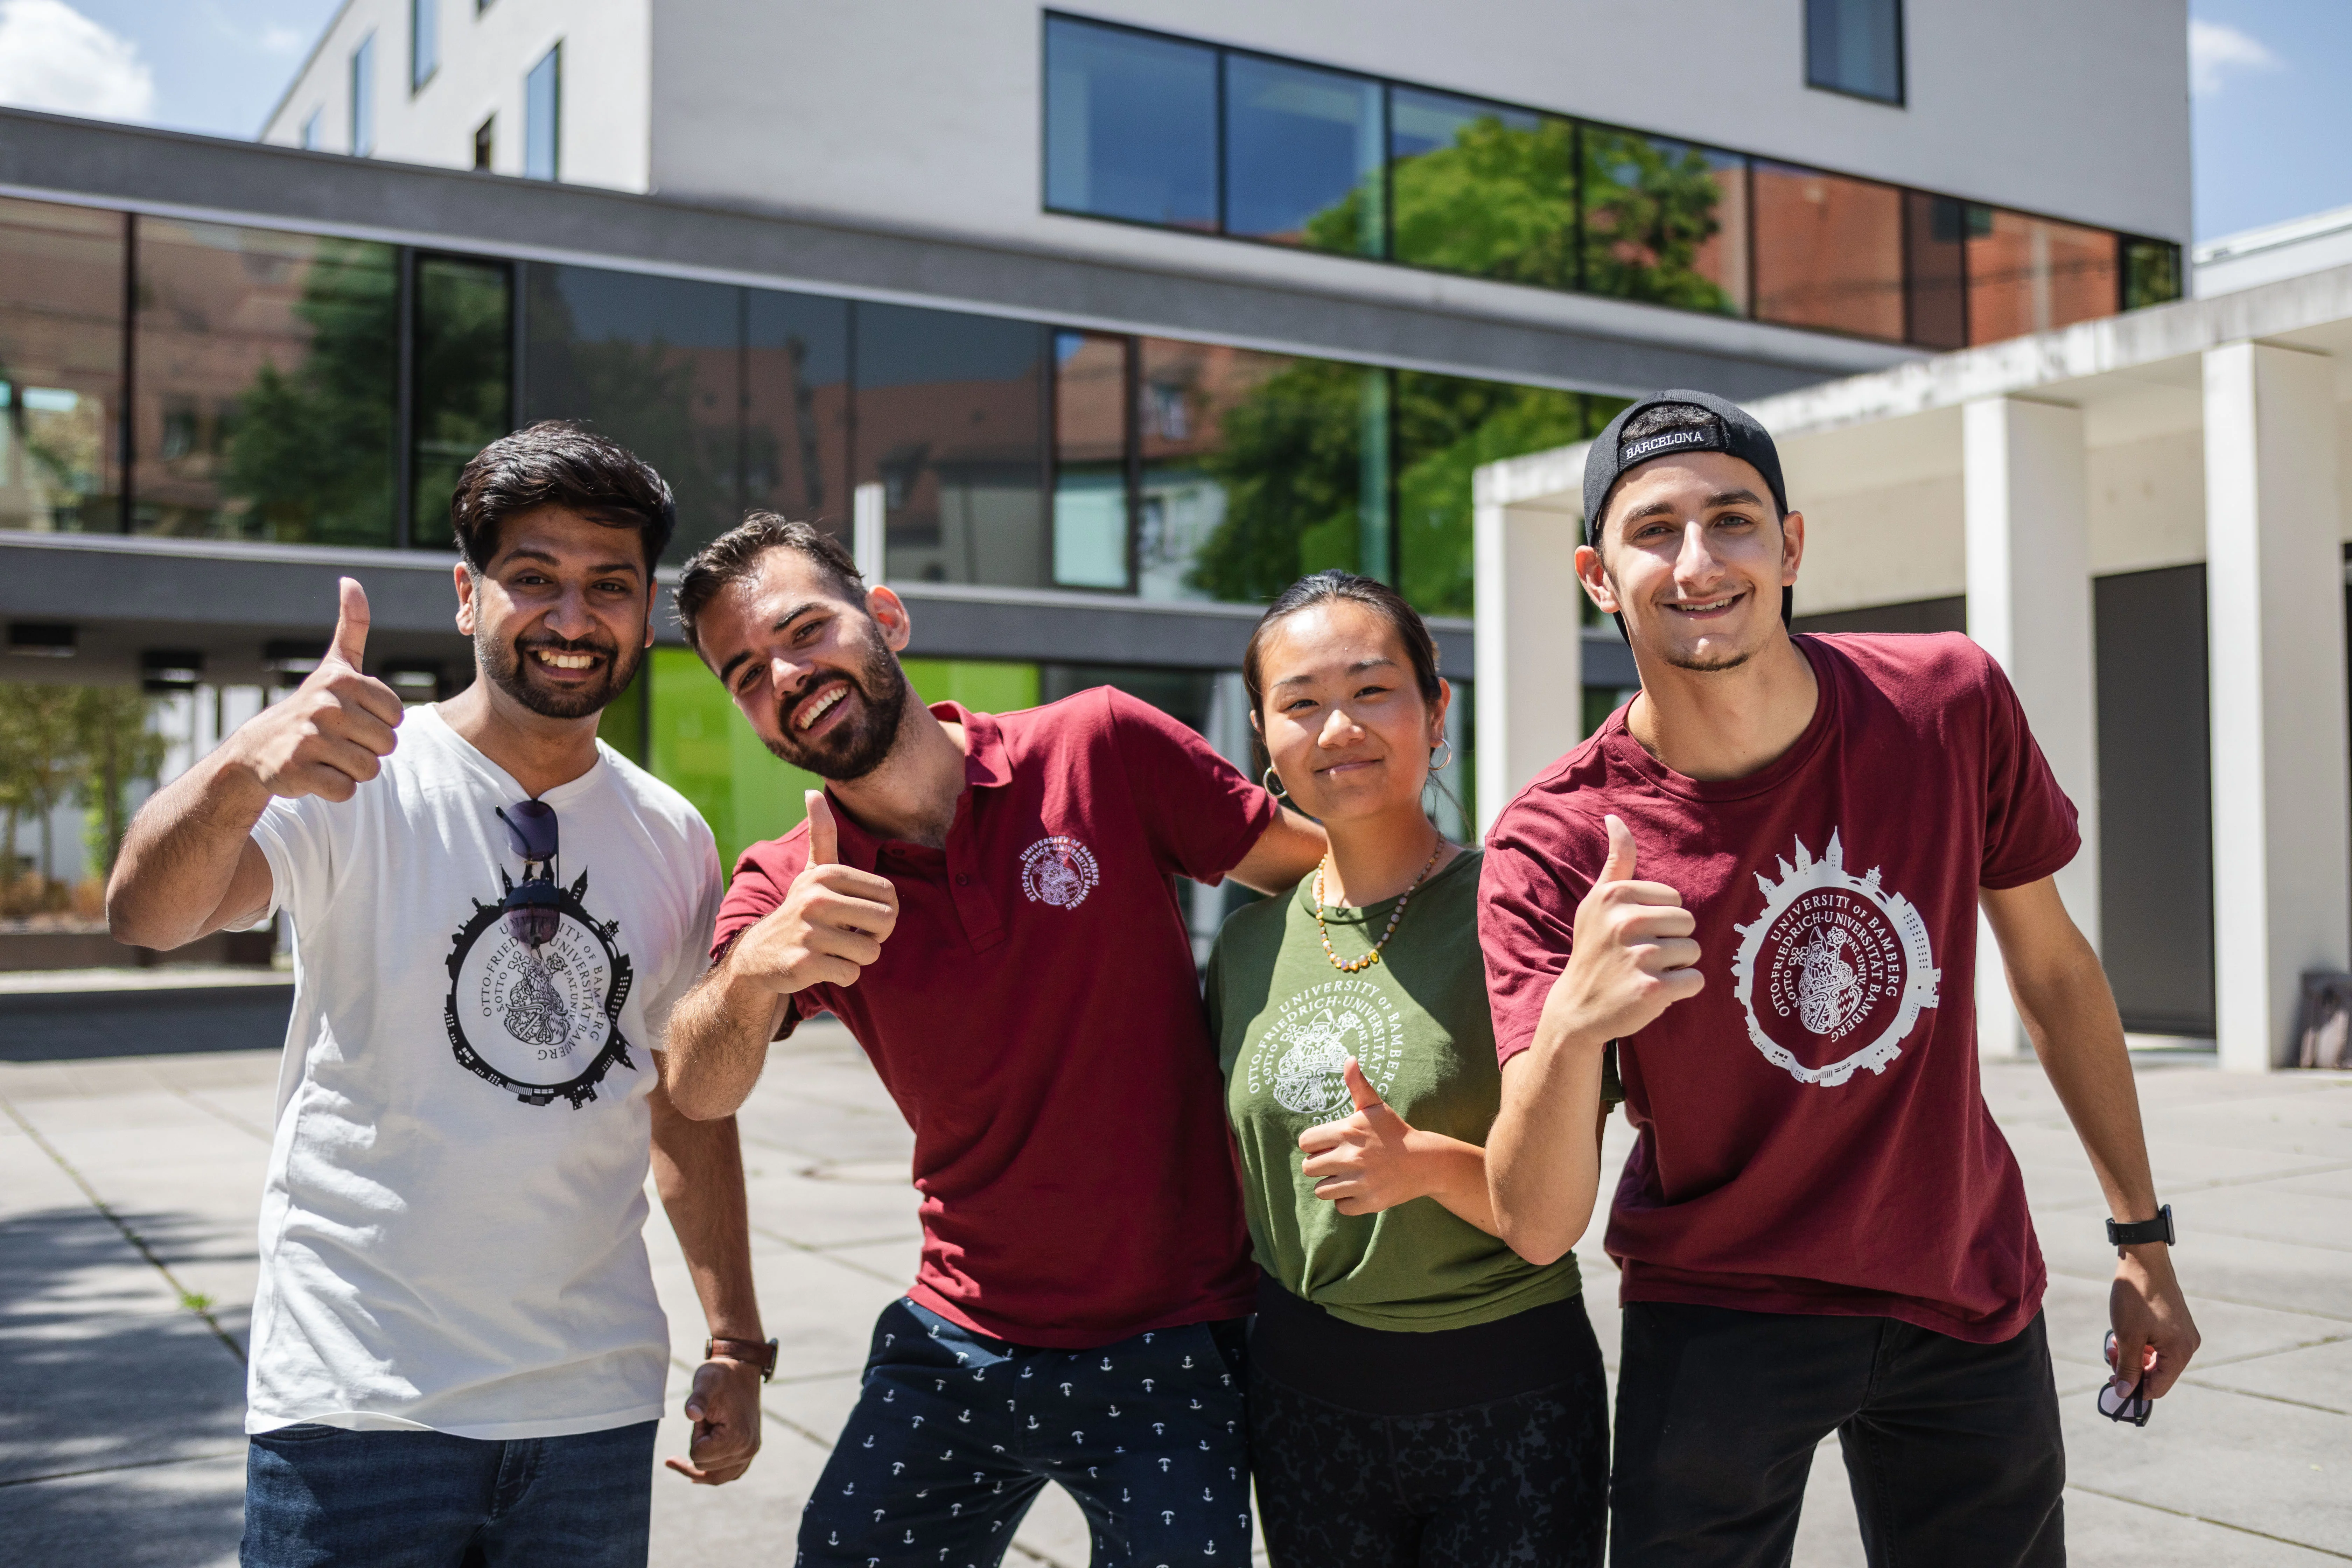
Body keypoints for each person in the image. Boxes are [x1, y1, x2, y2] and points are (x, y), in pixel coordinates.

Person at [1481, 389, 2201, 1568]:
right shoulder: (1554, 842)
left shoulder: (1947, 704)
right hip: (1719, 1315)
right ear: (1597, 577)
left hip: (1961, 1287)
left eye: (1734, 521)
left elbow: (2056, 972)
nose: (1699, 561)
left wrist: (2144, 1241)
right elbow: (1539, 1218)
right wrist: (1574, 1023)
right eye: (1654, 531)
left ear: (1792, 546)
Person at [107, 424, 768, 1567]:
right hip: (361, 1402)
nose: (572, 618)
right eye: (532, 579)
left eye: (608, 587)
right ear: (468, 598)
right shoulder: (351, 773)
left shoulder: (673, 834)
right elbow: (147, 916)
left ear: (647, 607)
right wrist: (242, 766)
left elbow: (683, 1108)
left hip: (590, 1409)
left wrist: (736, 1340)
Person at [656, 513, 1327, 1566]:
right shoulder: (790, 880)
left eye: (804, 630)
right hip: (959, 1338)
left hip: (1172, 1336)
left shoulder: (1099, 746)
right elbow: (694, 1087)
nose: (784, 675)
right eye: (746, 674)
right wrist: (759, 968)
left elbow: (1324, 874)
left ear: (886, 617)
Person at [1205, 571, 1614, 1567]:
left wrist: (1426, 1163)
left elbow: (1559, 1207)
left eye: (1372, 689)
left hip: (1506, 1393)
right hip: (1302, 1397)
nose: (1338, 726)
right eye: (1301, 702)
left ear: (1436, 712)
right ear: (1266, 738)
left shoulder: (1519, 914)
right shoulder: (1247, 945)